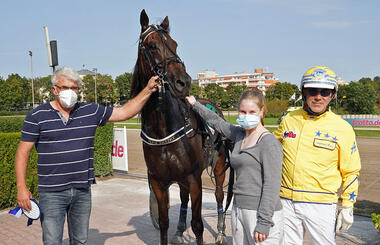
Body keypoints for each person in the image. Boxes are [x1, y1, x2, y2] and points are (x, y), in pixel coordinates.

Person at [15, 66, 159, 245]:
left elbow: (124, 112)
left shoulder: (90, 111)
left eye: (74, 88)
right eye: (64, 88)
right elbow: (23, 152)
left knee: (80, 240)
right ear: (54, 90)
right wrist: (21, 187)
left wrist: (148, 90)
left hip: (82, 190)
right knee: (52, 241)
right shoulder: (36, 115)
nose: (70, 92)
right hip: (51, 192)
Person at [274, 66, 361, 245]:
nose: (318, 96)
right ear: (303, 92)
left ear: (333, 95)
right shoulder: (288, 120)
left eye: (325, 91)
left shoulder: (343, 128)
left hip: (321, 205)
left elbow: (351, 171)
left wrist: (347, 205)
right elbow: (269, 149)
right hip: (286, 202)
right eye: (313, 90)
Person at [186, 88, 283, 244]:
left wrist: (264, 223)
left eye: (252, 112)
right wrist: (195, 104)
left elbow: (272, 186)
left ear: (262, 111)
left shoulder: (269, 143)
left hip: (260, 213)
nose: (246, 116)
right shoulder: (239, 134)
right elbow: (217, 122)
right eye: (243, 112)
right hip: (238, 210)